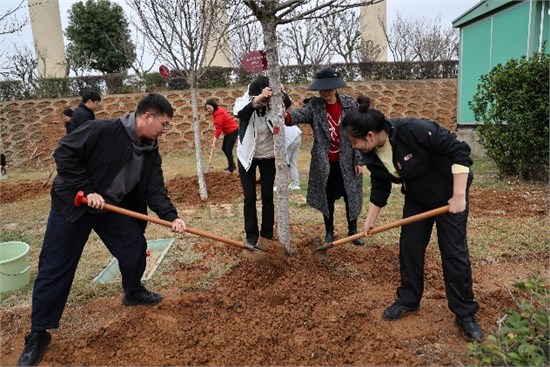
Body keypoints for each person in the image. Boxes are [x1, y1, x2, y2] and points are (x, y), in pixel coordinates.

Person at [17, 93, 187, 366]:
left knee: (134, 246)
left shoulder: (150, 148)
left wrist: (172, 216)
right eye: (164, 124)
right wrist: (86, 188)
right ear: (147, 117)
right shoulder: (102, 129)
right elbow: (65, 153)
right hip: (74, 204)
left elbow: (154, 186)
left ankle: (132, 291)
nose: (165, 130)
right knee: (56, 266)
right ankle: (38, 333)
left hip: (109, 208)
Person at [341, 95, 484, 342]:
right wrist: (370, 221)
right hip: (418, 198)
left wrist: (459, 195)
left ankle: (464, 313)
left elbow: (459, 151)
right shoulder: (373, 155)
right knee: (410, 247)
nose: (353, 147)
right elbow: (380, 184)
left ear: (370, 136)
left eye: (355, 142)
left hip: (449, 195)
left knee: (453, 252)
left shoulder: (415, 130)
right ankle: (408, 299)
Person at [285, 66, 364, 246]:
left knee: (351, 196)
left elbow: (358, 133)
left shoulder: (350, 105)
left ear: (336, 87)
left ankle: (353, 231)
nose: (324, 92)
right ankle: (329, 231)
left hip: (347, 160)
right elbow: (298, 115)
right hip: (325, 162)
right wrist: (285, 116)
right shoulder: (314, 105)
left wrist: (358, 160)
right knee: (326, 196)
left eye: (328, 88)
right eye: (321, 89)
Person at [233, 75, 292, 249]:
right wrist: (256, 100)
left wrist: (281, 92)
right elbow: (240, 113)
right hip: (247, 156)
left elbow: (287, 104)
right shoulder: (243, 101)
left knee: (267, 196)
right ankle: (251, 236)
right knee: (249, 197)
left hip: (268, 155)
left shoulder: (273, 101)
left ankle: (266, 234)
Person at [205, 99, 239, 173]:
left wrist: (214, 142)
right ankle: (232, 165)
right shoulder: (217, 111)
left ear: (213, 106)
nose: (208, 110)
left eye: (209, 108)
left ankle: (231, 169)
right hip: (228, 132)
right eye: (207, 109)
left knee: (228, 150)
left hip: (232, 131)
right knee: (224, 148)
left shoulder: (218, 115)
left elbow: (218, 130)